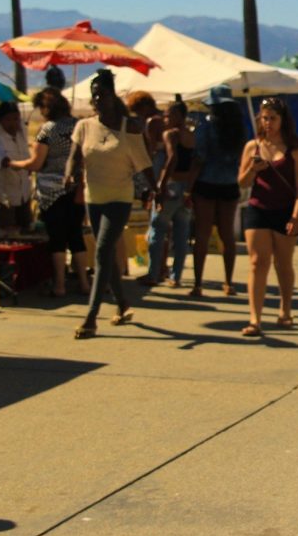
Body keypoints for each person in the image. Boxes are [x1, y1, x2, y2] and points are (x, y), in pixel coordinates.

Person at [66, 70, 157, 339]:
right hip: (94, 198)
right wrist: (69, 174)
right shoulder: (84, 126)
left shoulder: (128, 128)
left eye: (102, 94)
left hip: (119, 196)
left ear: (111, 95)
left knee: (103, 248)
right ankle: (122, 303)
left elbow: (144, 163)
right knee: (105, 255)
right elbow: (74, 157)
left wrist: (156, 189)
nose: (97, 99)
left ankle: (92, 316)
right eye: (94, 95)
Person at [238, 98, 298, 338]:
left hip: (285, 210)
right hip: (258, 208)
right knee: (258, 262)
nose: (268, 123)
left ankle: (285, 309)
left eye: (272, 118)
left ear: (283, 120)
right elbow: (242, 182)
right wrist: (253, 170)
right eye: (264, 118)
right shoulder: (252, 146)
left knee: (283, 262)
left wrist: (296, 216)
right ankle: (255, 319)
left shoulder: (295, 148)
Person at [9, 88, 88, 296]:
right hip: (77, 188)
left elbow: (36, 163)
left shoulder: (47, 130)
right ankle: (84, 282)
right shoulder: (79, 126)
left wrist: (14, 164)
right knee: (76, 236)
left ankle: (60, 285)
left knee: (57, 239)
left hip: (52, 192)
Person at [191, 85, 246, 296]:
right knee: (227, 235)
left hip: (206, 183)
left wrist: (189, 187)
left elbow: (199, 158)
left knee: (202, 235)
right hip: (229, 184)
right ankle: (229, 282)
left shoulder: (205, 128)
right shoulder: (239, 129)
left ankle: (198, 284)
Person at [147, 99, 195, 292]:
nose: (165, 118)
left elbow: (172, 158)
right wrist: (189, 189)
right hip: (185, 188)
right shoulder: (191, 136)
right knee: (181, 235)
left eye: (168, 114)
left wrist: (161, 185)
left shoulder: (170, 134)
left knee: (157, 231)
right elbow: (196, 163)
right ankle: (176, 277)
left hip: (171, 186)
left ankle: (153, 274)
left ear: (178, 116)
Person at [0, 101, 32, 233]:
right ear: (1, 120)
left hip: (24, 191)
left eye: (16, 119)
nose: (13, 123)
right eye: (8, 119)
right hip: (5, 194)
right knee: (8, 231)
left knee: (25, 227)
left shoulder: (22, 131)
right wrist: (20, 164)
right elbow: (1, 160)